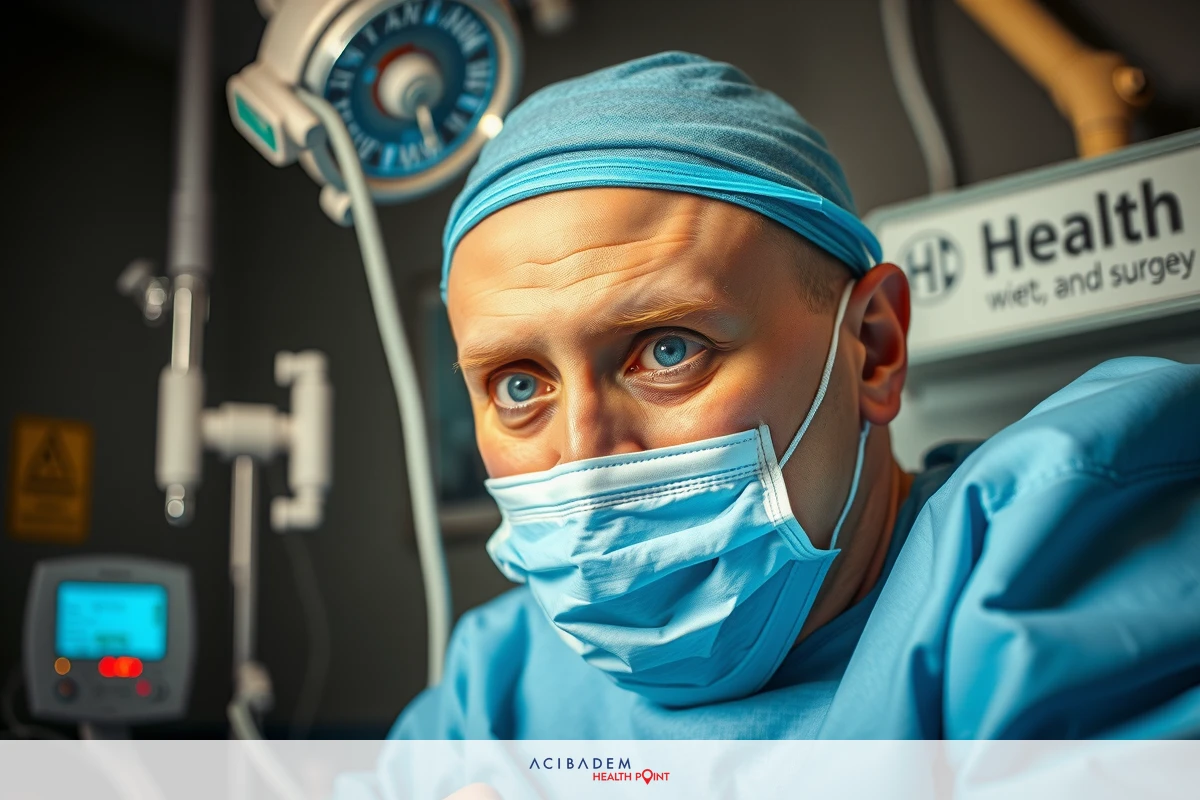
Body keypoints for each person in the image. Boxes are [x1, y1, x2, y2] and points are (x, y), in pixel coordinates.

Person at [395, 52, 1200, 739]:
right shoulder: (496, 689)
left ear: (873, 348)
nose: (584, 456)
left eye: (669, 351)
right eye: (519, 385)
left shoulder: (1043, 566)